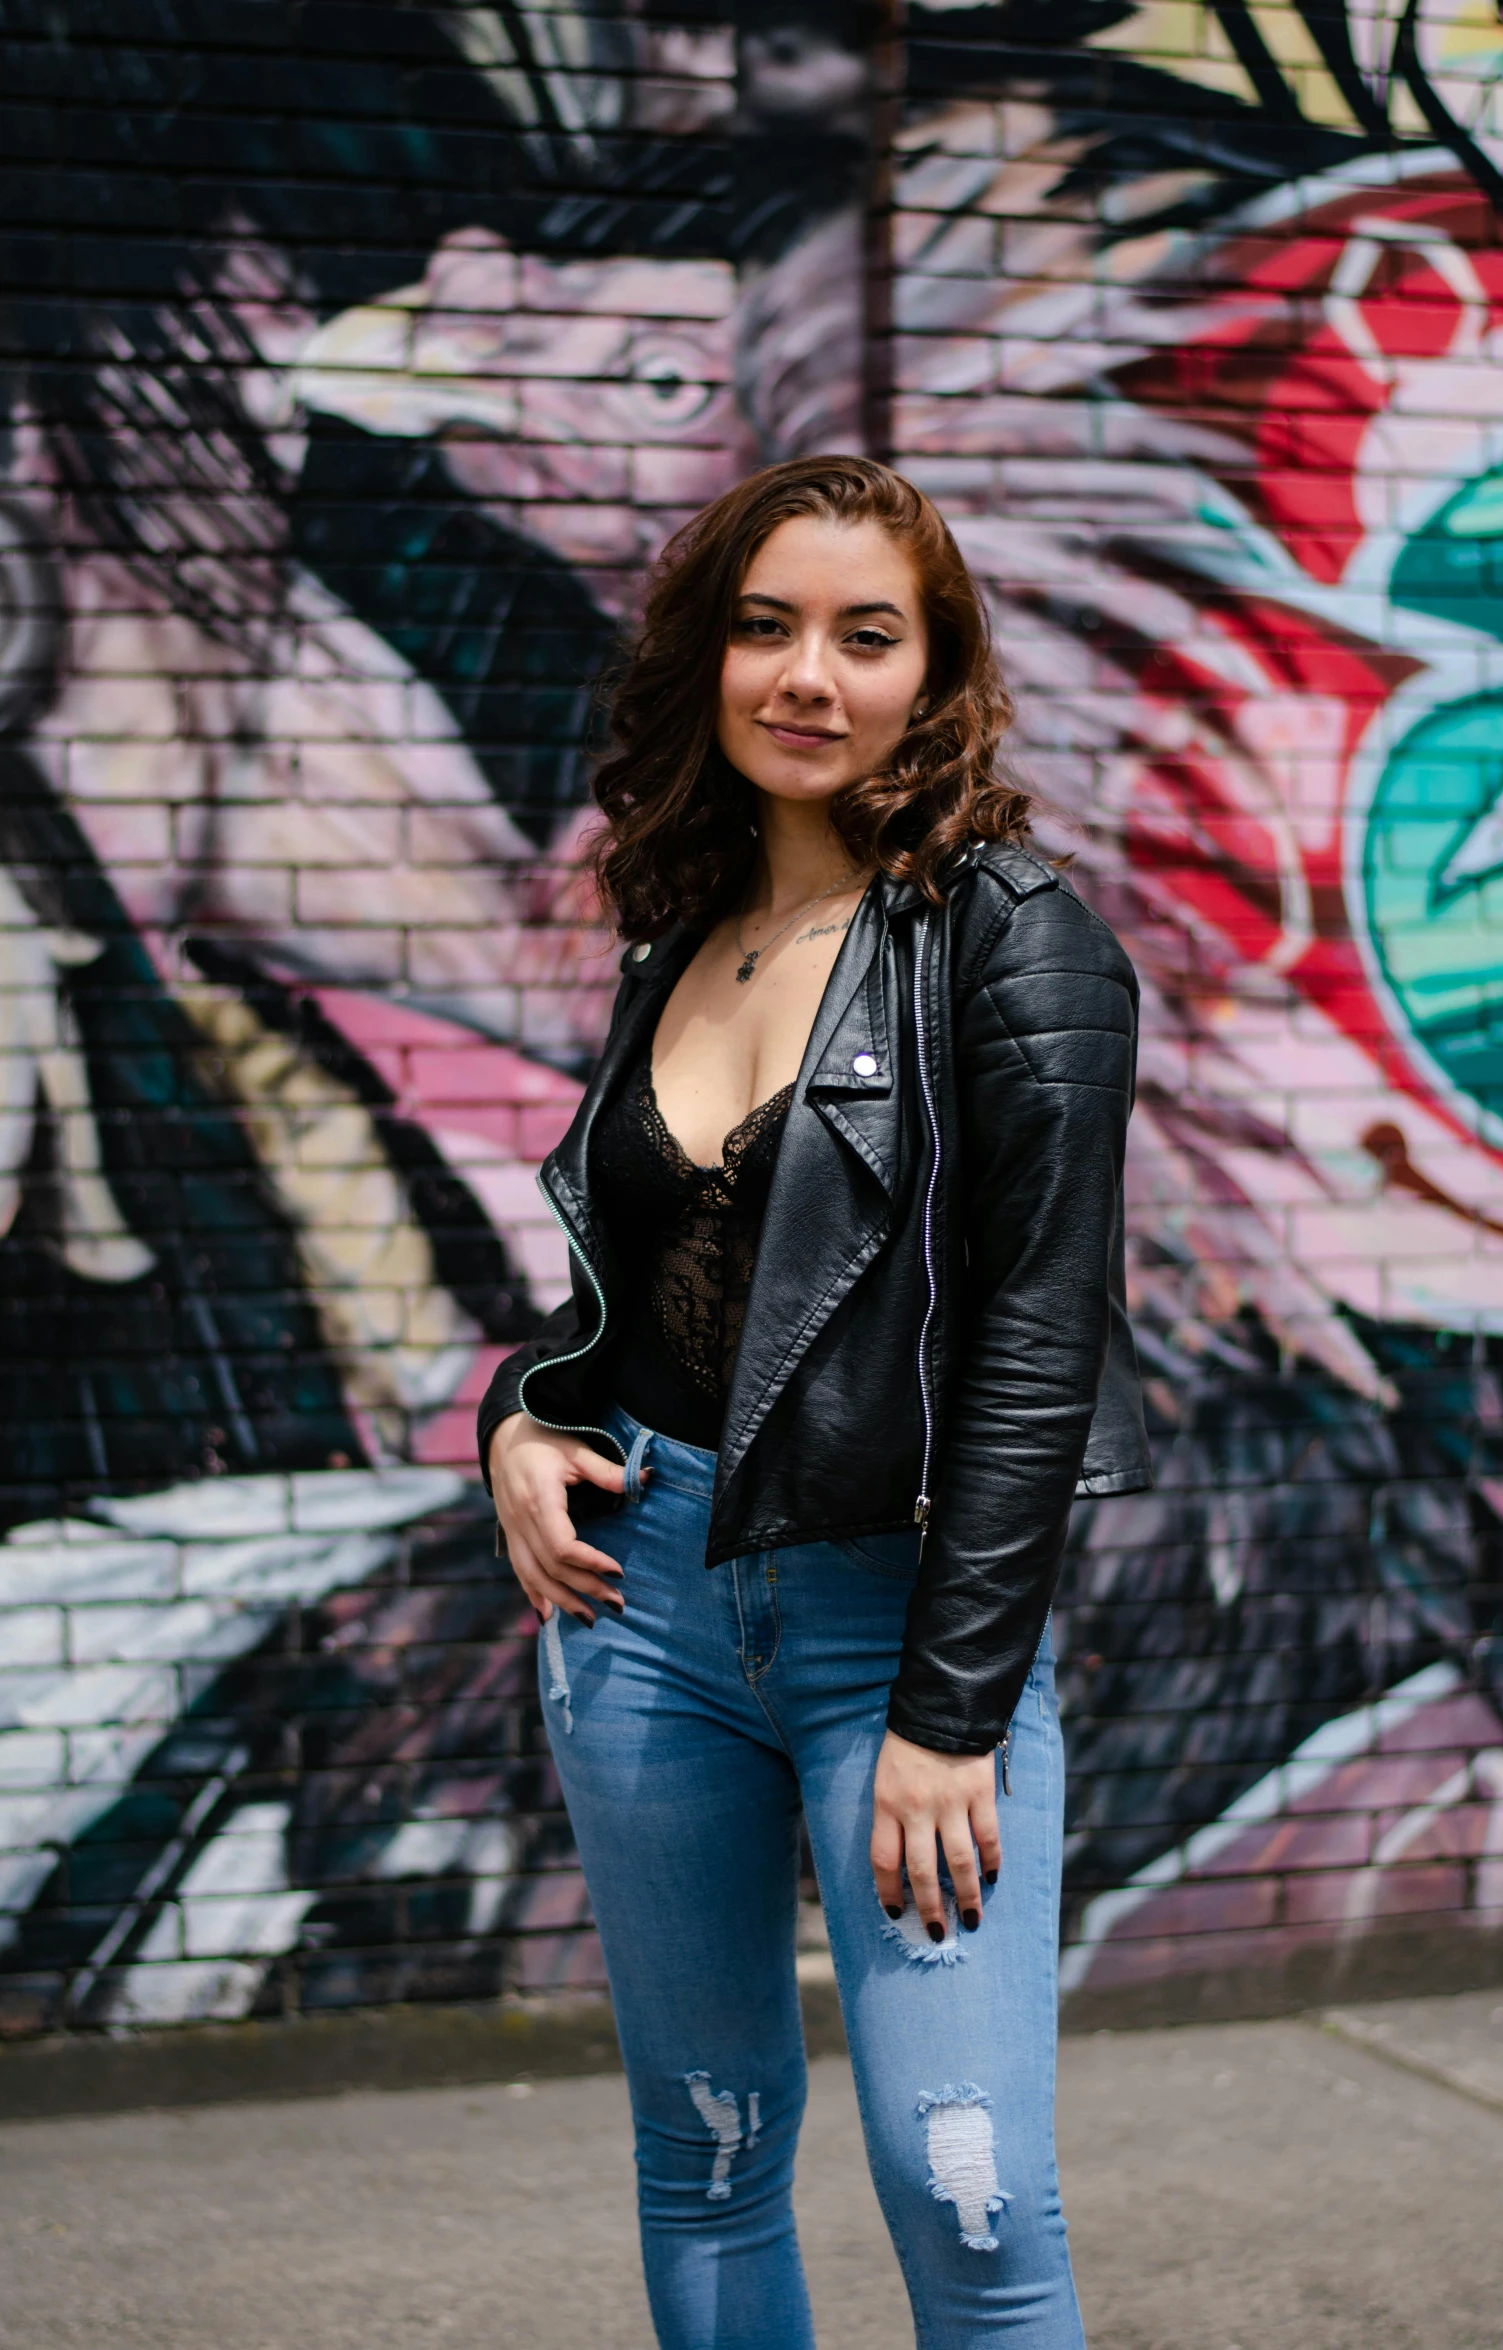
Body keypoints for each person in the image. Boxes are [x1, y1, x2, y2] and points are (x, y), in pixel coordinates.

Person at [480, 455, 1149, 2349]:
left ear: (932, 672)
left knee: (970, 2185)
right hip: (641, 1617)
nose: (806, 675)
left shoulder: (1016, 943)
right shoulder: (676, 934)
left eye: (866, 635)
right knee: (702, 2148)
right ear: (707, 654)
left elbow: (1036, 1342)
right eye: (765, 626)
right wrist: (522, 1419)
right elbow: (639, 1292)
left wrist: (950, 1711)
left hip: (898, 1632)